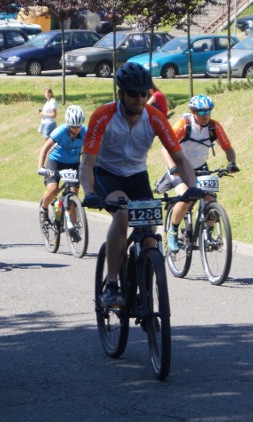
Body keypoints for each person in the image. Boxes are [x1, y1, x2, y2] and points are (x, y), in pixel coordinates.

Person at [79, 63, 202, 307]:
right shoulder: (103, 116)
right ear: (120, 94)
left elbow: (180, 158)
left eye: (143, 93)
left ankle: (144, 293)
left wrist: (192, 187)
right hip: (106, 173)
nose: (139, 98)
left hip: (136, 175)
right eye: (133, 93)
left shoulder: (155, 118)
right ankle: (112, 284)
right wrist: (90, 192)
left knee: (149, 233)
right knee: (123, 213)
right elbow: (87, 163)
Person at [160, 95, 239, 253]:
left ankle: (209, 235)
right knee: (186, 196)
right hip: (179, 167)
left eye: (208, 111)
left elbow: (228, 148)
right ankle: (172, 232)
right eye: (201, 112)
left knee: (209, 197)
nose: (205, 115)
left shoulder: (213, 127)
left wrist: (232, 163)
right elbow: (165, 148)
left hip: (201, 166)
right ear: (193, 112)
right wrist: (173, 168)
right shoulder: (184, 124)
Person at [37, 105, 87, 241]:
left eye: (78, 127)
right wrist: (41, 167)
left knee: (73, 195)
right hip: (56, 161)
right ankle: (44, 208)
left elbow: (94, 148)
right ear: (67, 124)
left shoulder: (86, 131)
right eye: (72, 127)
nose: (76, 130)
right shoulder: (60, 131)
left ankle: (73, 226)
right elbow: (44, 149)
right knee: (53, 189)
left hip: (73, 163)